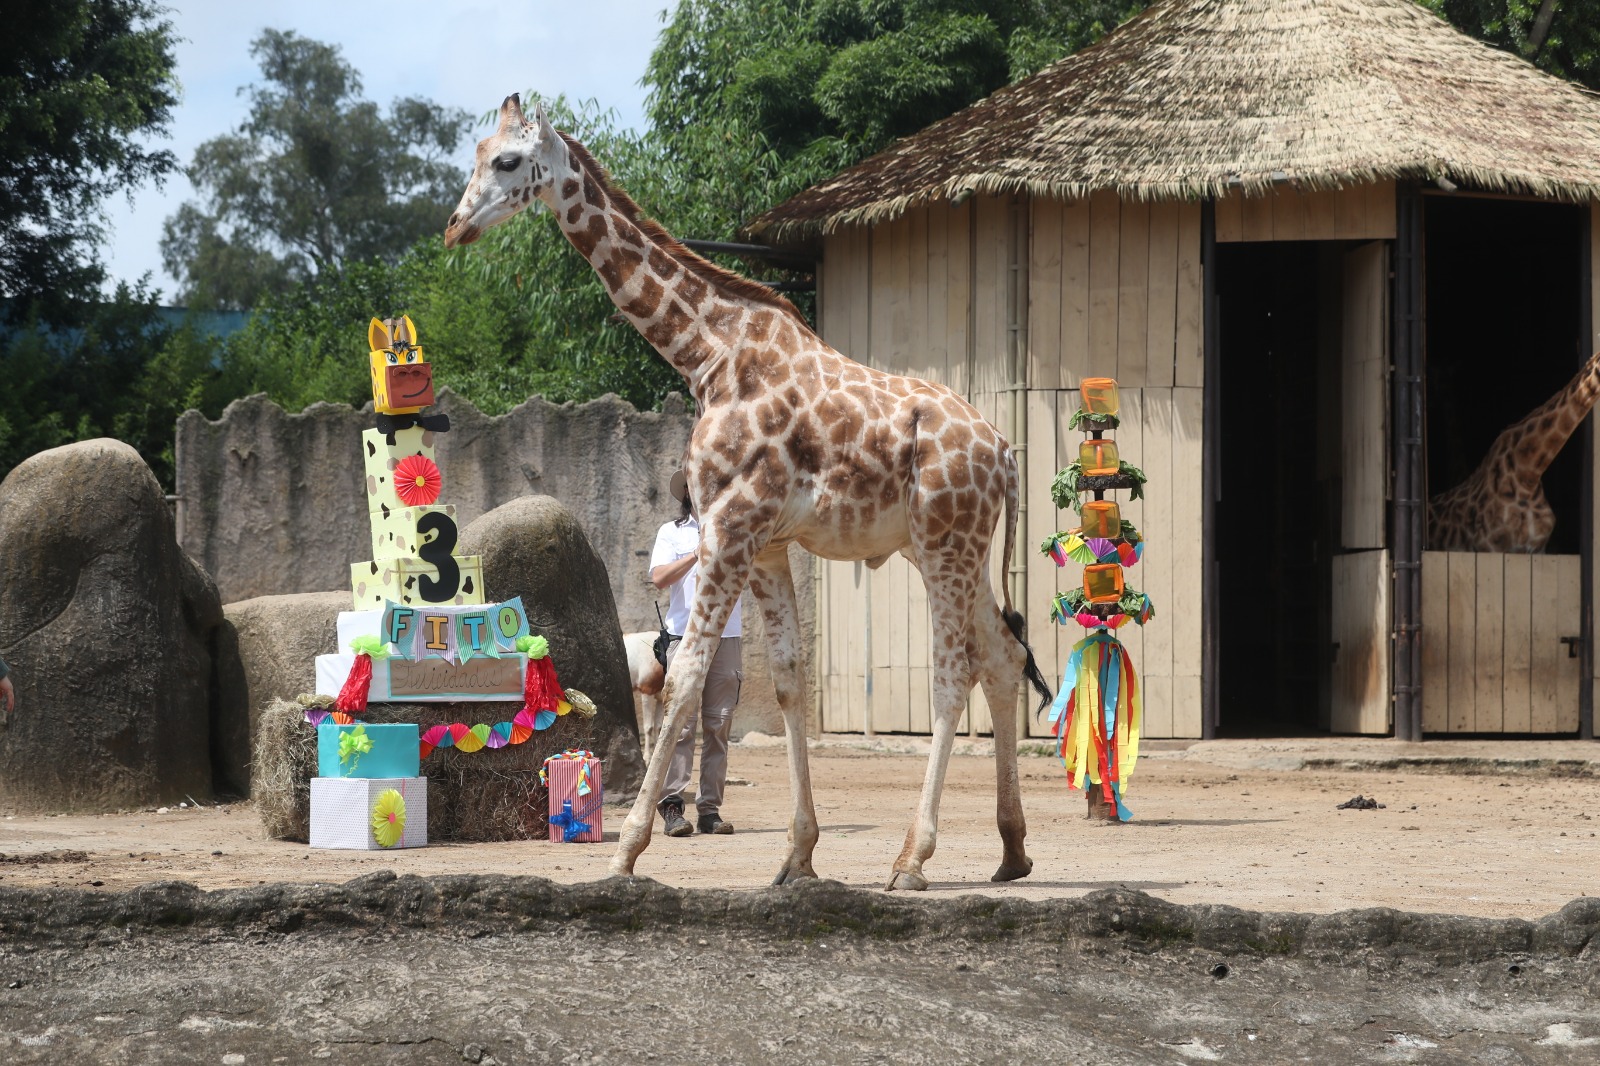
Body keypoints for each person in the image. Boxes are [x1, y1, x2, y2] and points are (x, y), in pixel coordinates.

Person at [649, 469, 741, 837]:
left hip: (727, 636)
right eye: (697, 483)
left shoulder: (736, 529)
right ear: (686, 491)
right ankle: (672, 806)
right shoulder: (671, 532)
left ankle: (709, 810)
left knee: (719, 726)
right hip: (683, 638)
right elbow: (659, 578)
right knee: (680, 725)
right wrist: (696, 551)